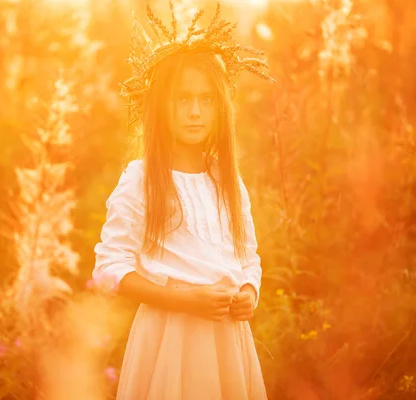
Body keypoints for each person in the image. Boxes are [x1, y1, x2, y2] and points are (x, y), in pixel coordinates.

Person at [92, 3, 271, 399]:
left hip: (227, 340)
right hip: (170, 338)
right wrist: (182, 299)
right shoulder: (141, 179)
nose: (195, 112)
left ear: (220, 108)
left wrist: (248, 293)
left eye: (206, 100)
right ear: (161, 107)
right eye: (182, 100)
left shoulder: (226, 180)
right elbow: (109, 268)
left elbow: (248, 258)